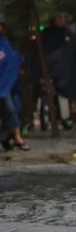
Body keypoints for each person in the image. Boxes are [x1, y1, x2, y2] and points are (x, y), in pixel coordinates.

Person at [41, 12, 76, 126]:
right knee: (58, 91)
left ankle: (66, 116)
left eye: (63, 18)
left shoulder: (70, 33)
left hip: (68, 68)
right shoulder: (49, 33)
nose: (61, 20)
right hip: (55, 67)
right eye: (59, 18)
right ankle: (63, 116)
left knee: (66, 91)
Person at [0, 13, 29, 150]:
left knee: (12, 109)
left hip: (5, 87)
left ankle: (16, 136)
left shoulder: (5, 44)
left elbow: (12, 60)